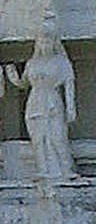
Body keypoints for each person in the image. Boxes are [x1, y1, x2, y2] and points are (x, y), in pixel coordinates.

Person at [6, 14, 76, 180]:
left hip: (52, 99)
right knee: (38, 138)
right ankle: (44, 169)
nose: (45, 45)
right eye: (42, 41)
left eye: (48, 41)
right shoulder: (32, 63)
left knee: (57, 137)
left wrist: (71, 106)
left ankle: (65, 169)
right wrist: (12, 76)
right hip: (35, 101)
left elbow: (69, 83)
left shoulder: (61, 62)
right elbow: (24, 83)